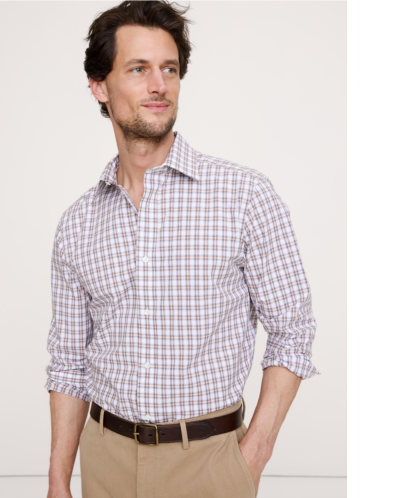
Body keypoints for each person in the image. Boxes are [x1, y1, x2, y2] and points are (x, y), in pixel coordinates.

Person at [45, 1, 318, 497]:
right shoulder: (77, 223)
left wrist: (252, 455)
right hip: (104, 462)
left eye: (169, 69)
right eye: (138, 69)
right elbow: (68, 364)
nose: (159, 85)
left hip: (211, 463)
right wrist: (58, 480)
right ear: (100, 86)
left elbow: (292, 331)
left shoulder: (244, 196)